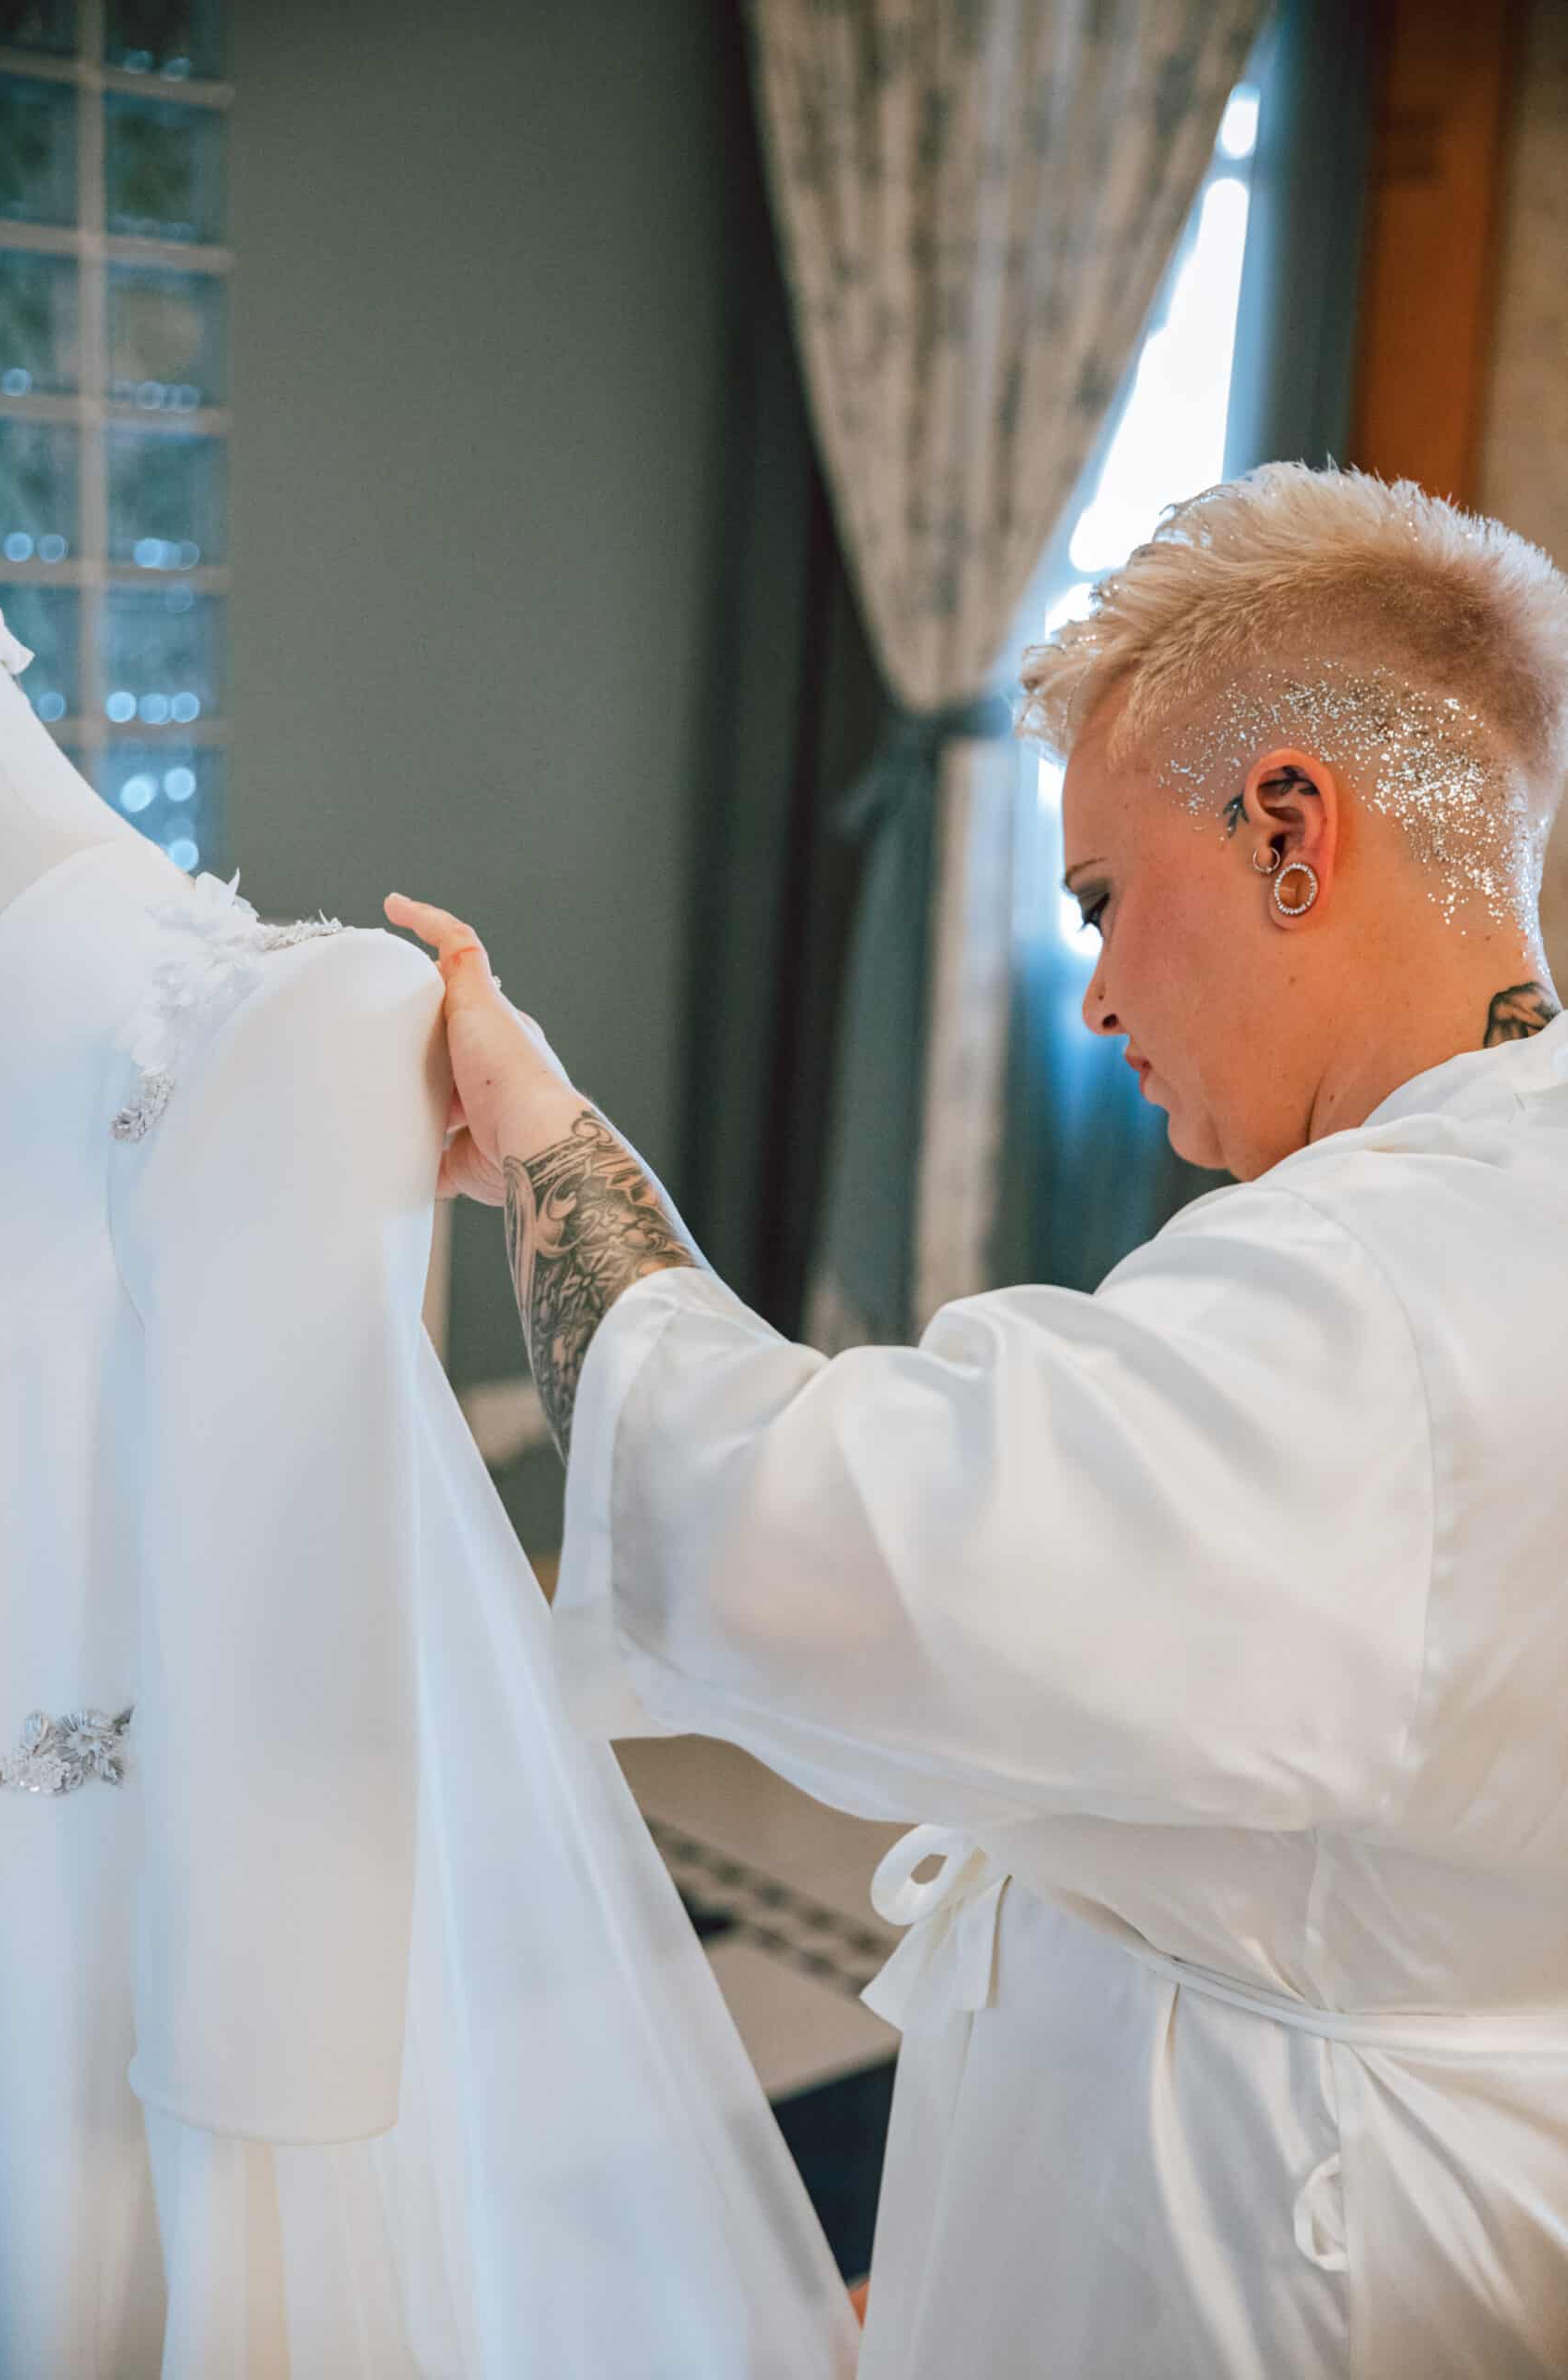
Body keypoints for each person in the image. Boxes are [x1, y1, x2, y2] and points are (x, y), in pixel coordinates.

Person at [385, 463, 1568, 2379]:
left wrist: (546, 1151)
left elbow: (798, 1530)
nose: (1095, 998)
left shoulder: (1362, 1304)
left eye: (1104, 901)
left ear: (1288, 829)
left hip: (1268, 2268)